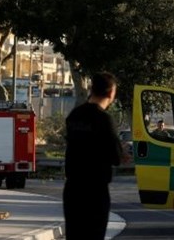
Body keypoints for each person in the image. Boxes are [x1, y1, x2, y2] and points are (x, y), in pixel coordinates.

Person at [63, 72, 123, 240]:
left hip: (73, 189)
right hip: (95, 191)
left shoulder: (74, 116)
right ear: (111, 93)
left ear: (92, 89)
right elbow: (116, 157)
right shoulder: (104, 119)